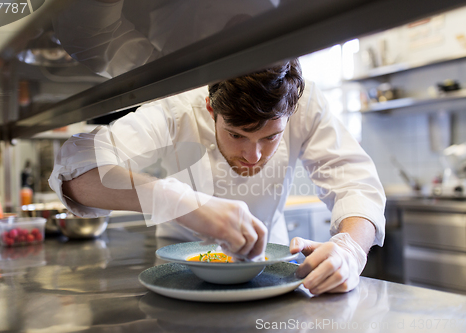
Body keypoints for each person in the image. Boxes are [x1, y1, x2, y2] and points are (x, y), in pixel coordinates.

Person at [49, 59, 386, 295]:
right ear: (212, 109)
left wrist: (350, 249)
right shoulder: (178, 106)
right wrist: (184, 204)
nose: (253, 156)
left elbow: (356, 182)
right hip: (180, 267)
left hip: (273, 263)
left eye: (270, 137)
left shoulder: (303, 102)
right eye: (237, 135)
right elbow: (75, 170)